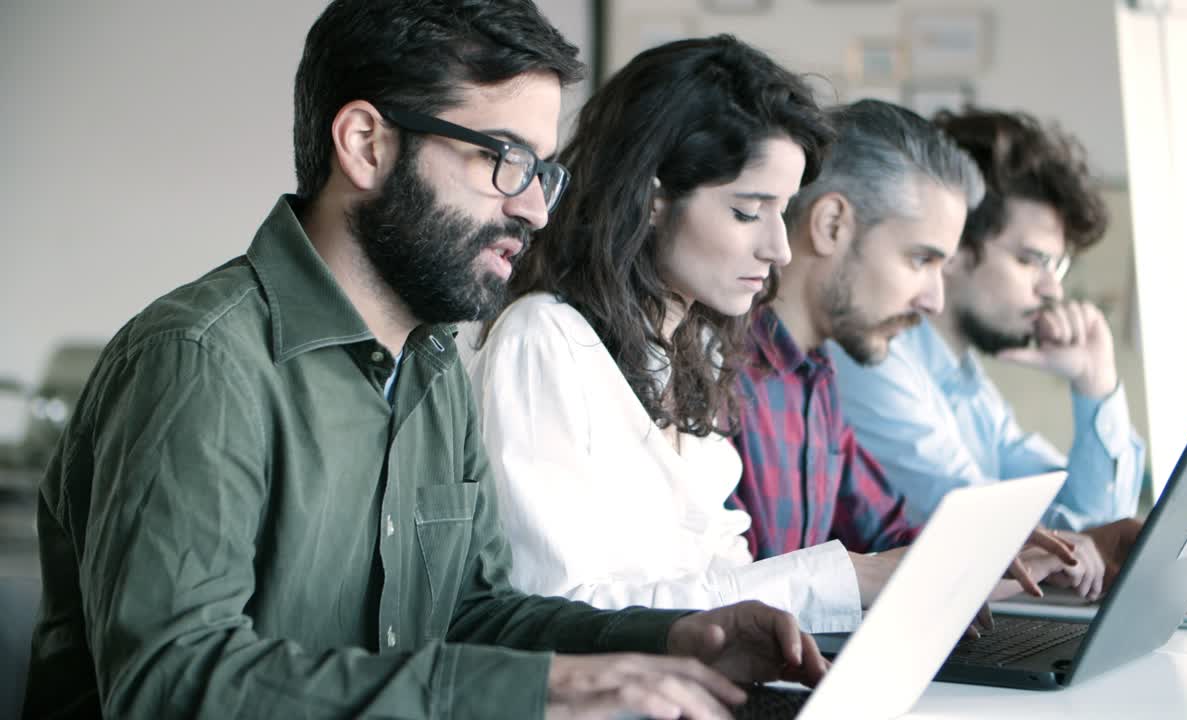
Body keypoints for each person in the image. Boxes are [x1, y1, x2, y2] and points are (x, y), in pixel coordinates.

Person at [22, 4, 827, 719]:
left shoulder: (434, 367)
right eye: (500, 159)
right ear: (366, 145)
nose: (536, 207)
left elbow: (471, 612)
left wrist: (673, 639)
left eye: (542, 169)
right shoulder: (201, 360)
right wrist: (539, 692)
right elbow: (170, 683)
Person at [466, 35, 885, 634]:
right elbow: (559, 615)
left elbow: (721, 576)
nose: (780, 249)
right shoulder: (542, 341)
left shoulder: (694, 350)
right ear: (653, 197)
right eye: (747, 211)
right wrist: (847, 578)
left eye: (782, 211)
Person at [732, 99, 1108, 603]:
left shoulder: (815, 377)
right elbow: (726, 601)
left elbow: (894, 540)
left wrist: (1020, 558)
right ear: (831, 226)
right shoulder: (720, 378)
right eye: (920, 259)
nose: (934, 300)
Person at [831, 108, 1144, 535]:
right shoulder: (872, 358)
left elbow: (1099, 518)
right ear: (954, 247)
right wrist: (1099, 540)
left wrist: (1096, 384)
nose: (1052, 290)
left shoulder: (964, 377)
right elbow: (984, 530)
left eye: (1058, 266)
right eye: (1030, 261)